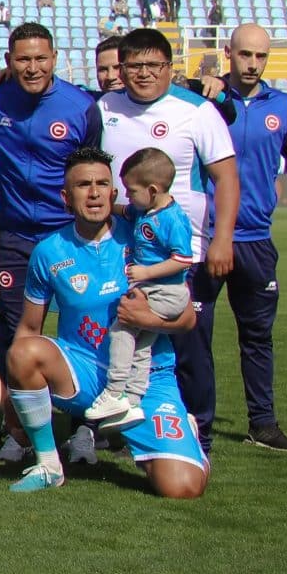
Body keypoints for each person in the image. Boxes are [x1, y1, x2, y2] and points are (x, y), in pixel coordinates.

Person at [4, 151, 208, 498]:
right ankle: (49, 465)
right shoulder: (48, 251)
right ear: (66, 198)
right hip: (83, 370)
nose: (95, 193)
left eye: (102, 184)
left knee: (182, 487)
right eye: (84, 185)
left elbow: (187, 317)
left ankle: (181, 434)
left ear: (115, 194)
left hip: (145, 377)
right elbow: (28, 329)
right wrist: (11, 402)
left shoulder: (143, 235)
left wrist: (147, 318)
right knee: (24, 351)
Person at [98, 28, 239, 449]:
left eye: (153, 65)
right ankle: (120, 425)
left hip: (184, 253)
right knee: (123, 336)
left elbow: (226, 178)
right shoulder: (104, 107)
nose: (143, 74)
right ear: (120, 69)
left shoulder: (196, 111)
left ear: (169, 67)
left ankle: (201, 428)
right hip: (122, 251)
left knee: (188, 341)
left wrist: (221, 240)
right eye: (134, 66)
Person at [198, 24, 287, 451]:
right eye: (245, 55)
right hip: (204, 236)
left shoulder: (283, 107)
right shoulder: (204, 101)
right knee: (193, 333)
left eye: (260, 57)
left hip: (255, 240)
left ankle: (263, 424)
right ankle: (196, 425)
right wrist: (200, 86)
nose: (253, 64)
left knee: (257, 336)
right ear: (228, 53)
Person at [0, 23, 101, 369]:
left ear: (55, 58)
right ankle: (16, 418)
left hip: (68, 235)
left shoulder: (81, 107)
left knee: (84, 325)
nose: (32, 68)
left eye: (40, 58)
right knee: (12, 326)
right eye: (23, 60)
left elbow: (93, 170)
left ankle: (85, 418)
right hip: (16, 235)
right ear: (8, 60)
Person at [86, 147, 195, 429]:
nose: (128, 197)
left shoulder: (171, 219)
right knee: (142, 344)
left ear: (154, 189)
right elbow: (126, 210)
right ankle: (132, 402)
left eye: (131, 191)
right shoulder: (147, 209)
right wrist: (107, 207)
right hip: (154, 289)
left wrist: (147, 272)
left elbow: (183, 259)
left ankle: (114, 390)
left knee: (122, 329)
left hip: (165, 292)